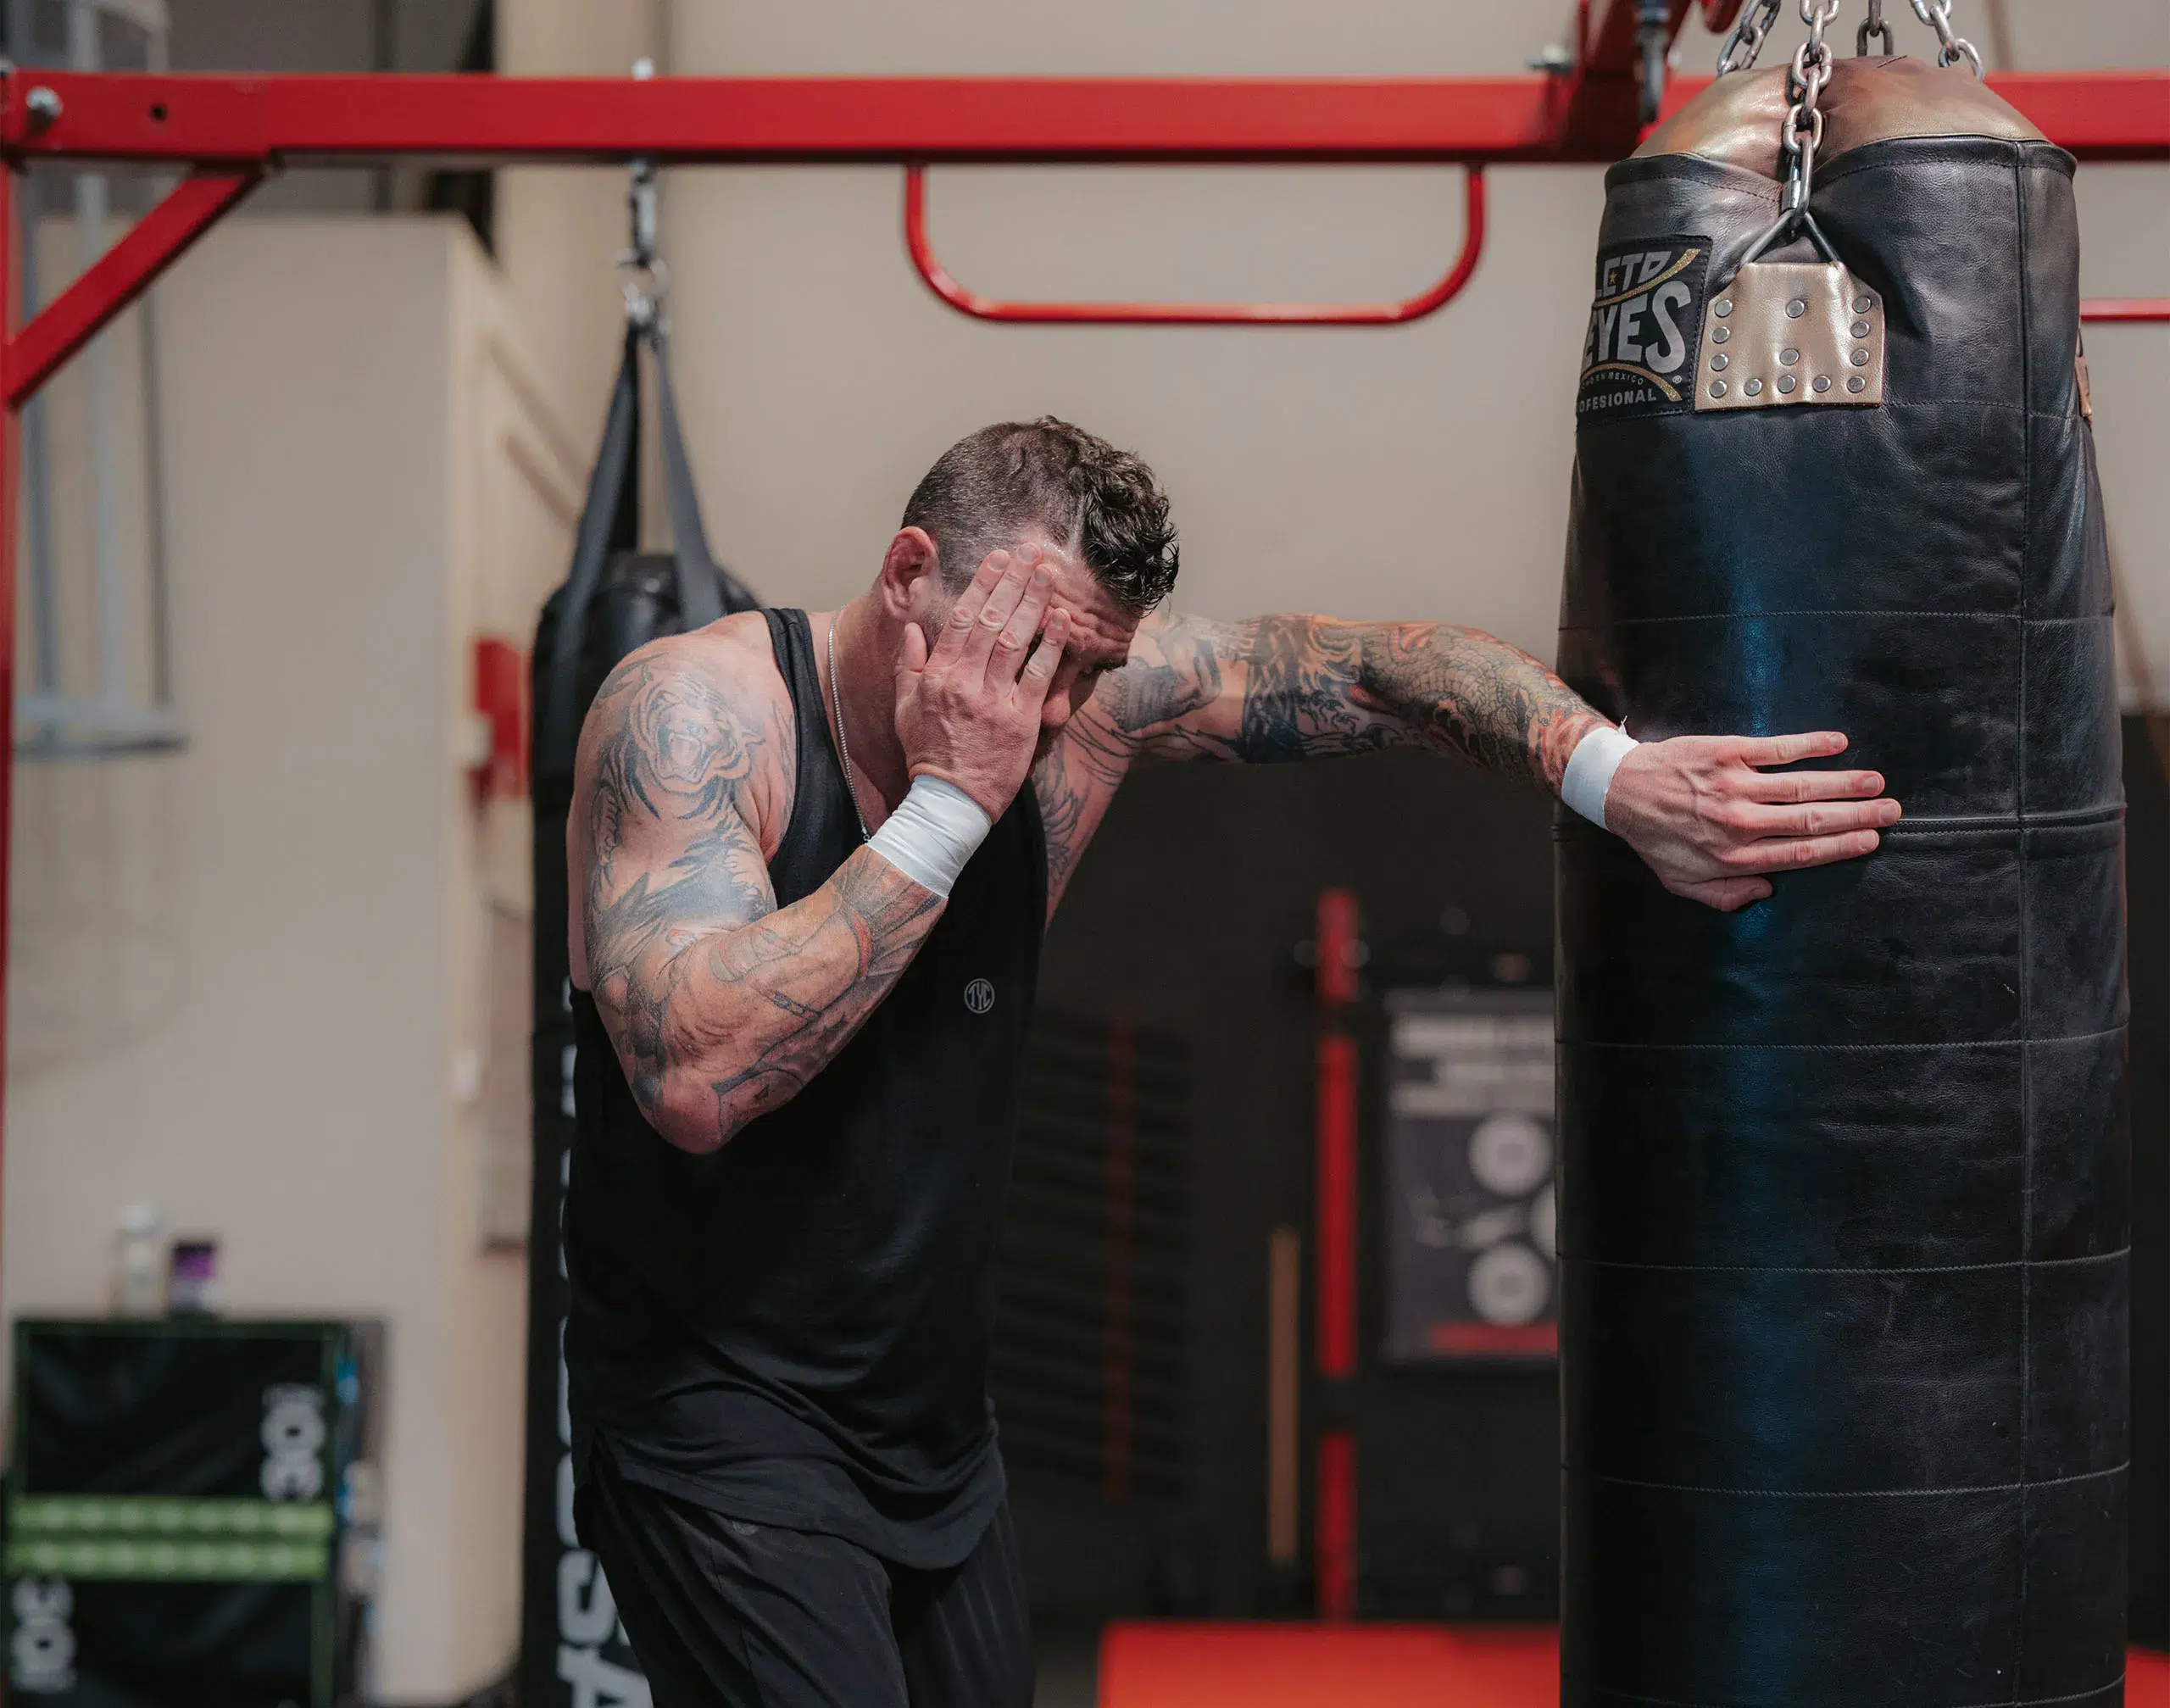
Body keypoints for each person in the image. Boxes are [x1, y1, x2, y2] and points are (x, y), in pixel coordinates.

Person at [563, 417, 1901, 1706]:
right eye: (1031, 659)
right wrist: (947, 809)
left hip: (927, 1435)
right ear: (913, 577)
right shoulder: (696, 716)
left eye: (1090, 672)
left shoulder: (1081, 710)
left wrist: (1620, 781)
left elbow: (1377, 667)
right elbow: (695, 1079)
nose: (1056, 714)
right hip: (714, 1414)